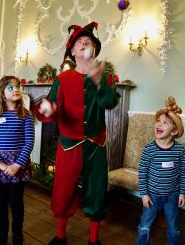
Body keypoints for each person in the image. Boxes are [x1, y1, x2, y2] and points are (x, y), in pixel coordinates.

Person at [35, 21, 120, 245]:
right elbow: (51, 108)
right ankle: (60, 236)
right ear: (72, 51)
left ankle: (94, 239)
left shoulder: (106, 76)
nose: (84, 43)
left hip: (95, 145)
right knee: (63, 191)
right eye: (79, 42)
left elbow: (110, 102)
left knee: (96, 191)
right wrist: (49, 109)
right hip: (69, 144)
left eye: (88, 41)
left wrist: (98, 79)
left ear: (95, 50)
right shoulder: (62, 79)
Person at [0, 75, 35, 245]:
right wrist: (0, 164)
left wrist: (17, 165)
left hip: (18, 165)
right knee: (1, 202)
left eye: (18, 87)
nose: (16, 89)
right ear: (2, 92)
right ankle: (1, 235)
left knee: (16, 203)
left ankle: (17, 236)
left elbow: (29, 141)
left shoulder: (25, 115)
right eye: (11, 87)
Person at [137, 96, 185, 245]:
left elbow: (183, 173)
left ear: (174, 131)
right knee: (145, 226)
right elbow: (143, 172)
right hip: (152, 196)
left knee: (173, 227)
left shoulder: (179, 150)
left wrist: (182, 192)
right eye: (158, 121)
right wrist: (144, 194)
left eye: (165, 122)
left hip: (172, 196)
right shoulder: (149, 149)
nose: (159, 124)